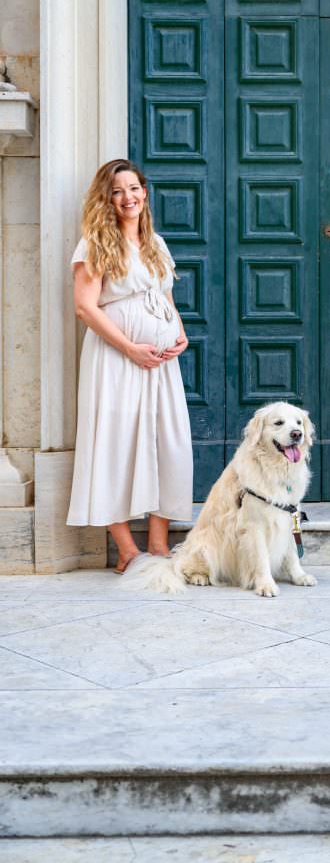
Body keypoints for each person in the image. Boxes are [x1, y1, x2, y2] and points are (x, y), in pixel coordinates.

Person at [66, 158, 193, 574]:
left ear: (145, 192)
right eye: (118, 191)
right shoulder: (94, 244)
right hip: (117, 360)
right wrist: (130, 347)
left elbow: (165, 295)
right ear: (107, 198)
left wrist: (178, 331)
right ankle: (126, 550)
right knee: (115, 446)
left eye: (134, 188)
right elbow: (86, 308)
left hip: (160, 363)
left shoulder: (156, 242)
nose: (128, 198)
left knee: (166, 444)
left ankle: (158, 544)